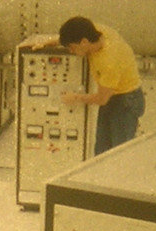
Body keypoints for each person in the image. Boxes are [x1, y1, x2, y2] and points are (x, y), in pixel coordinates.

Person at [42, 16, 145, 155]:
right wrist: (49, 43)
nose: (71, 51)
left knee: (119, 154)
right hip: (112, 96)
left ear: (84, 42)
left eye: (72, 48)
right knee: (101, 152)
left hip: (125, 101)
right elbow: (75, 34)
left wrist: (76, 97)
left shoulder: (109, 61)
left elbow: (101, 99)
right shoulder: (95, 31)